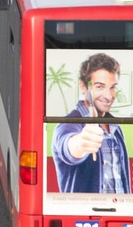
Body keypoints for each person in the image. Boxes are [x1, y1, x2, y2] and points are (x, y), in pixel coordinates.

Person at [52, 53, 130, 193]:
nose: (108, 96)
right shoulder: (67, 124)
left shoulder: (116, 128)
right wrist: (81, 144)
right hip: (84, 213)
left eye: (112, 87)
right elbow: (67, 146)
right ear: (83, 86)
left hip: (119, 212)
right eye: (100, 87)